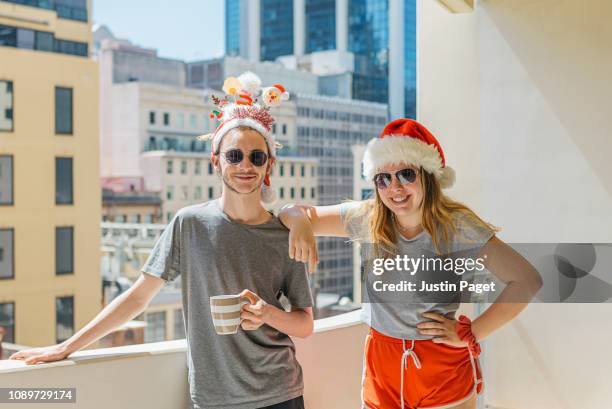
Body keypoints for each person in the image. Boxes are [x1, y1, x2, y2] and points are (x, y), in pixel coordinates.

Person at [10, 72, 314, 409]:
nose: (246, 166)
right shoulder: (189, 224)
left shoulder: (285, 235)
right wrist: (66, 347)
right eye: (234, 156)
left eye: (257, 157)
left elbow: (304, 323)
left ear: (269, 165)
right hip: (215, 399)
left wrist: (268, 314)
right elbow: (138, 297)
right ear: (216, 160)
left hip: (281, 394)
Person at [279, 118, 542, 409]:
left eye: (406, 174)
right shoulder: (366, 218)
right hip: (383, 371)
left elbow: (527, 280)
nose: (395, 187)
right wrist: (300, 224)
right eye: (383, 178)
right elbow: (291, 212)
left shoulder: (456, 226)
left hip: (442, 371)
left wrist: (473, 332)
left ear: (428, 176)